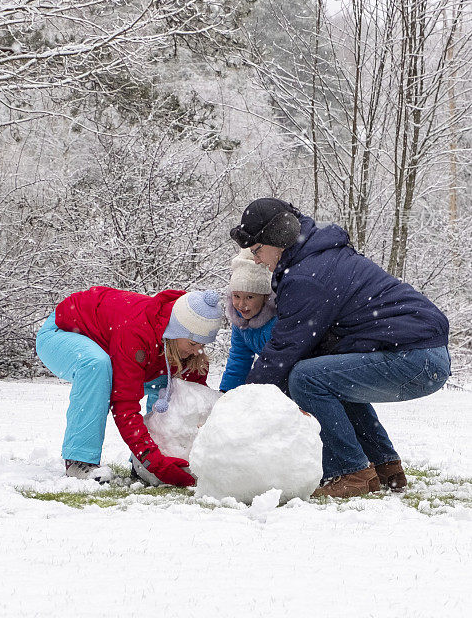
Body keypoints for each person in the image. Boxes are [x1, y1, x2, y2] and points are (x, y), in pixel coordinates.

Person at [230, 198, 451, 498]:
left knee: (305, 378)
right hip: (424, 355)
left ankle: (351, 472)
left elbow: (283, 351)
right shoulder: (319, 258)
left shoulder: (307, 276)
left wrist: (240, 404)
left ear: (278, 240)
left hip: (414, 357)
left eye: (256, 250)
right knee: (327, 375)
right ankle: (384, 466)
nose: (255, 259)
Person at [36, 286, 222, 486]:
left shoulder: (186, 348)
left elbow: (191, 406)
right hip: (61, 331)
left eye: (203, 345)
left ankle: (144, 463)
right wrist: (155, 463)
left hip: (110, 342)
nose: (197, 351)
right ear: (175, 332)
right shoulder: (137, 333)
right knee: (97, 365)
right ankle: (79, 461)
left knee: (169, 383)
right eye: (193, 344)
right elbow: (125, 404)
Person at [219, 248, 277, 392]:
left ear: (265, 297)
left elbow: (276, 363)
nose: (241, 304)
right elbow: (239, 359)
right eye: (236, 296)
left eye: (250, 297)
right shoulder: (240, 322)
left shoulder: (276, 321)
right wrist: (226, 393)